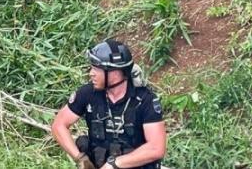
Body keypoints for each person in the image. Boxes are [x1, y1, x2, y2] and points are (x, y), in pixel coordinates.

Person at [51, 40, 166, 169]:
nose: (91, 73)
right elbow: (59, 125)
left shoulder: (144, 100)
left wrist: (115, 164)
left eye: (96, 69)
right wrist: (80, 158)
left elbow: (156, 148)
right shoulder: (88, 93)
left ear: (114, 73)